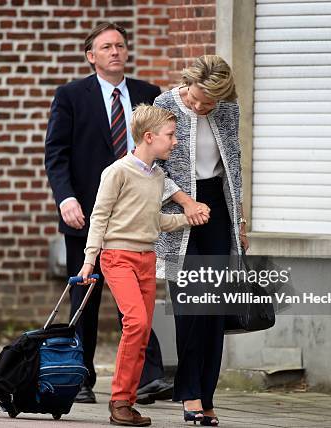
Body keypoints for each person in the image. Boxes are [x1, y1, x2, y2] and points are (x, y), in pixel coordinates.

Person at [44, 22, 173, 404]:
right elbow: (56, 154)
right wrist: (65, 198)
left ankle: (147, 377)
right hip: (85, 213)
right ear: (91, 56)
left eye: (120, 45)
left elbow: (163, 150)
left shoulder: (149, 95)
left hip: (135, 220)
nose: (115, 51)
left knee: (135, 300)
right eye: (106, 47)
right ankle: (80, 377)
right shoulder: (70, 96)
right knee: (86, 297)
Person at [78, 105, 202, 426]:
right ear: (149, 137)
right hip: (117, 257)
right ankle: (119, 400)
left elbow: (153, 220)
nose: (175, 141)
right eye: (170, 136)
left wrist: (187, 219)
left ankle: (128, 403)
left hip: (147, 258)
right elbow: (100, 217)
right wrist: (90, 260)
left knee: (143, 330)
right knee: (134, 322)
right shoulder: (116, 172)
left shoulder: (159, 176)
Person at [153, 55, 249, 426]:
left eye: (206, 103)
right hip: (179, 212)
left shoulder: (227, 110)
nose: (198, 106)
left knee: (213, 311)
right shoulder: (164, 105)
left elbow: (233, 164)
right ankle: (189, 392)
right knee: (190, 306)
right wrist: (186, 201)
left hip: (218, 212)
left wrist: (238, 219)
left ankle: (206, 396)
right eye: (195, 99)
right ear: (188, 85)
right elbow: (152, 166)